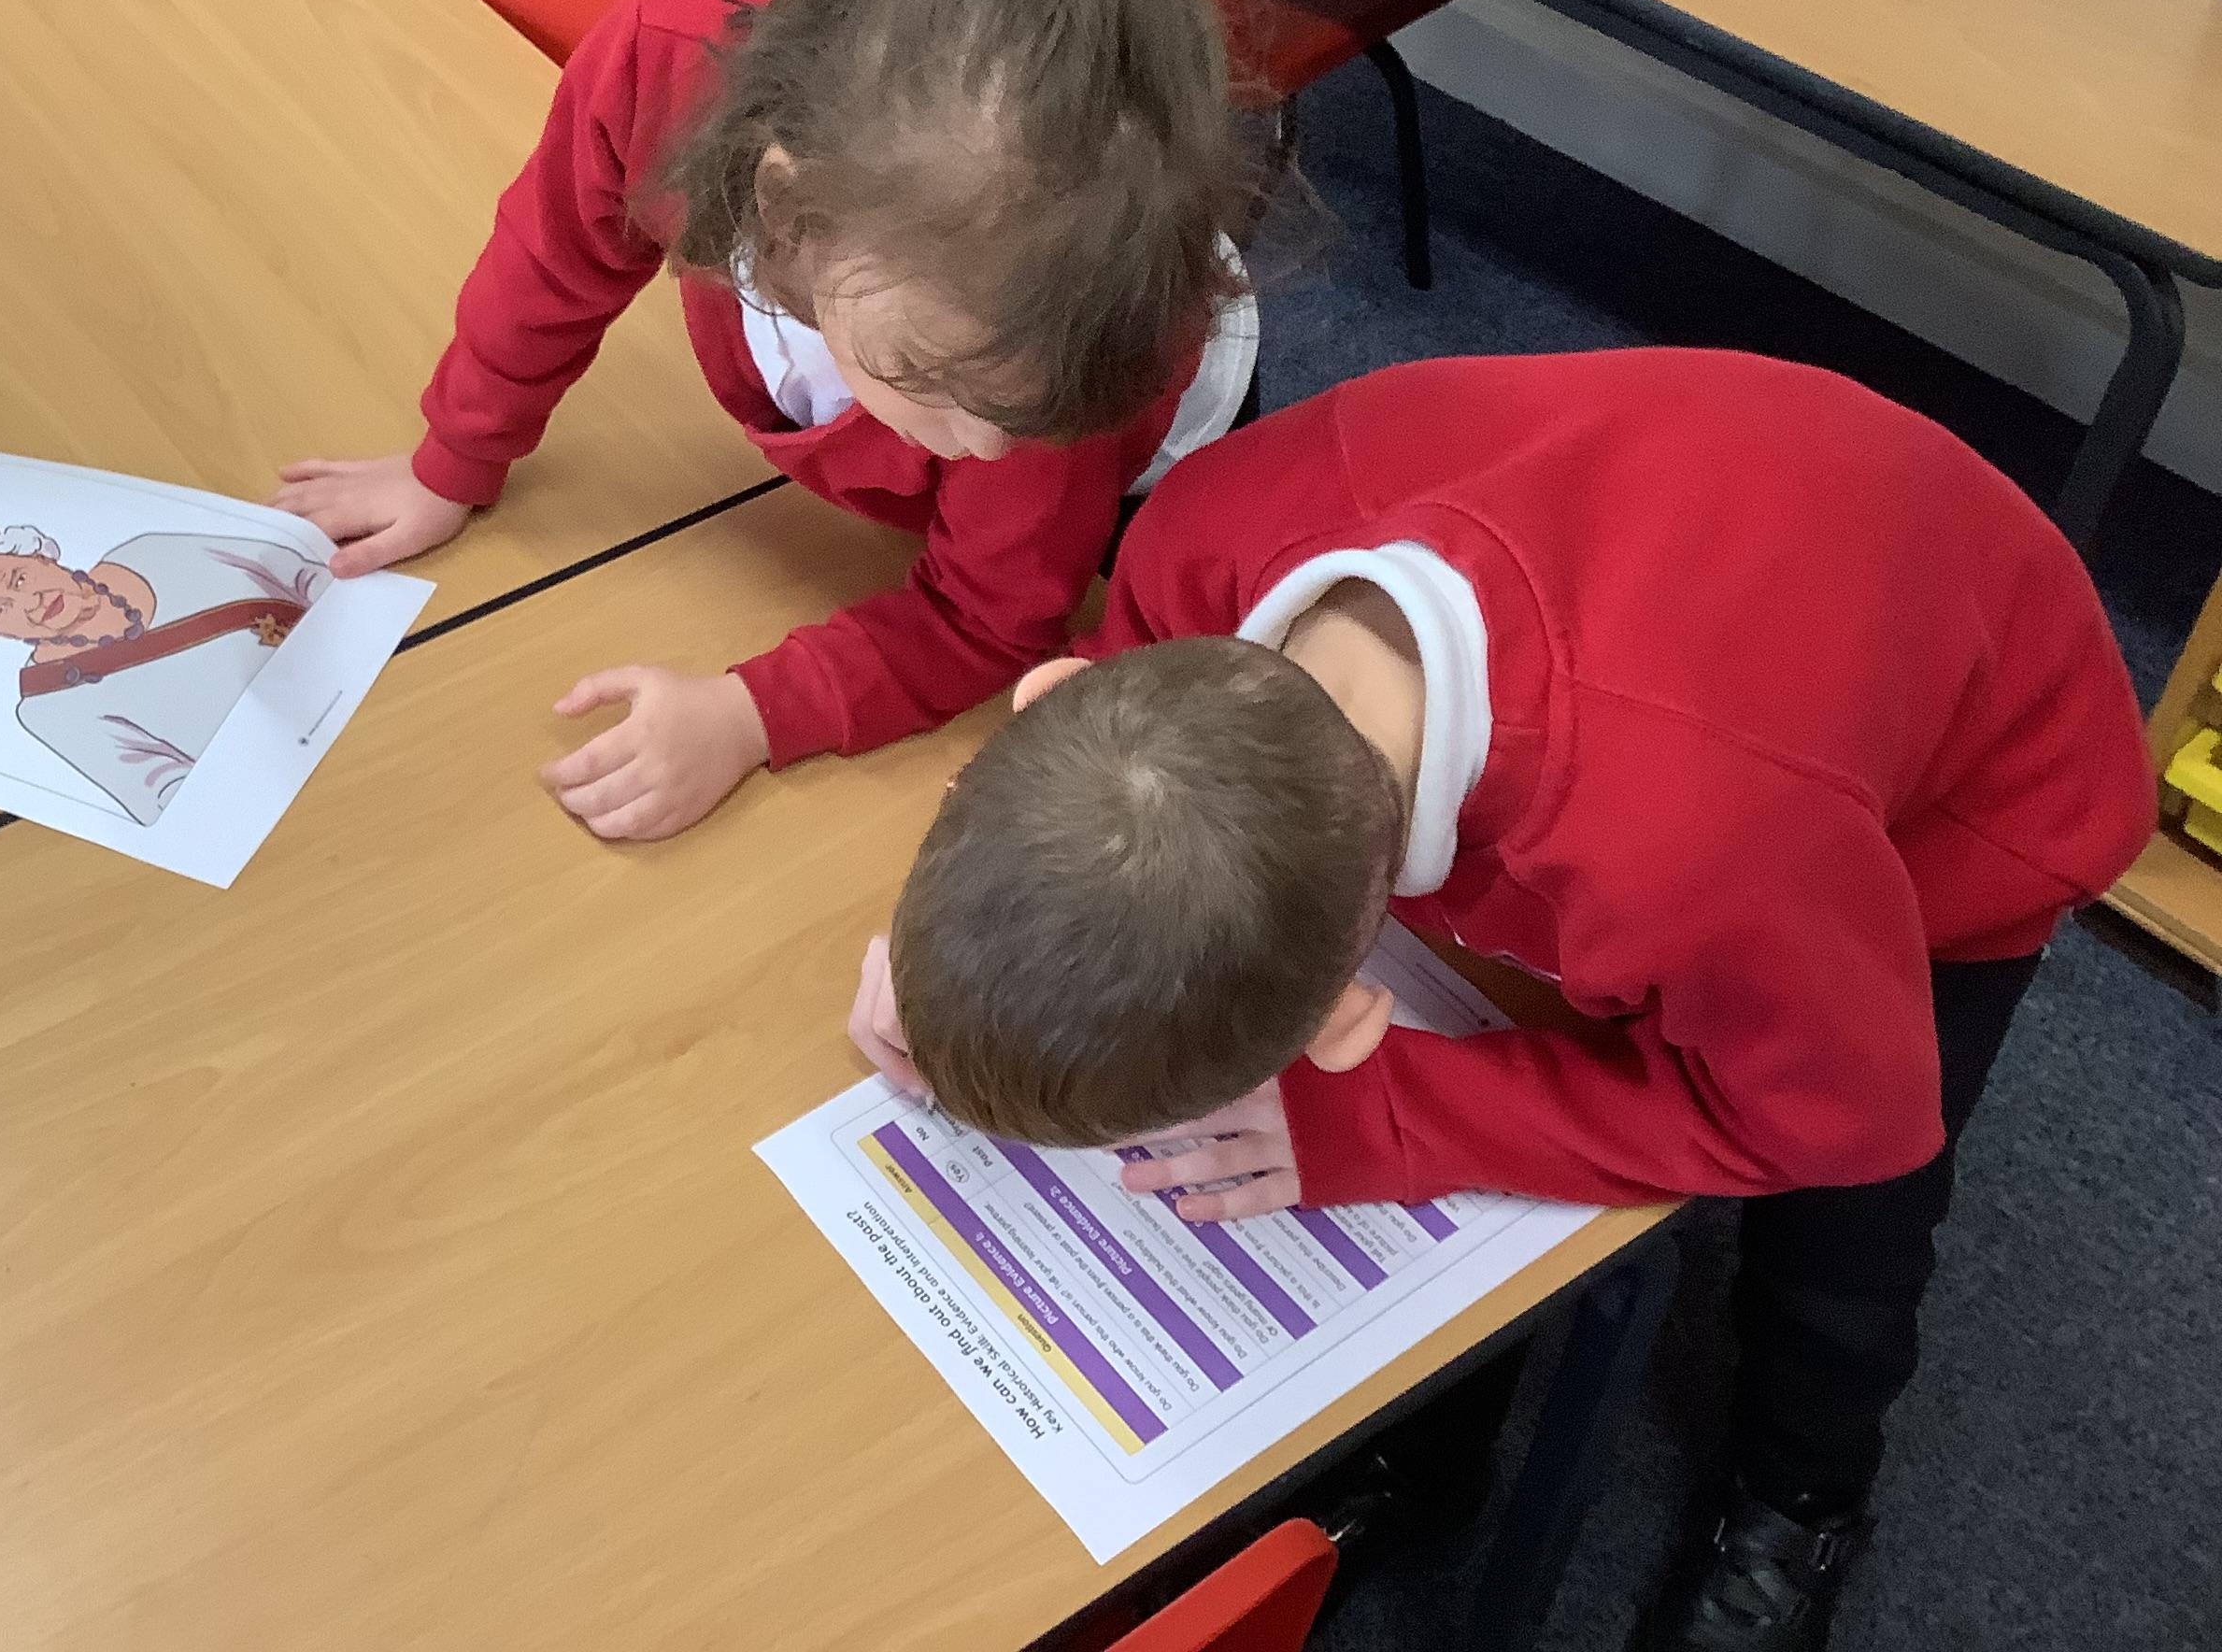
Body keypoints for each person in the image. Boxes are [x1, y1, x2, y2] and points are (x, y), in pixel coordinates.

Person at [847, 348, 2158, 1652]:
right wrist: (972, 950)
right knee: (1521, 1119)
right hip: (1714, 622)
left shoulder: (1695, 860)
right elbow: (1130, 715)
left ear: (1350, 1020)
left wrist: (1398, 1117)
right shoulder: (1203, 535)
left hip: (1976, 784)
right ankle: (1425, 1459)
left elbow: (1827, 1118)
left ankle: (1797, 1499)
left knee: (1844, 1239)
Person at [276, 0, 1267, 843]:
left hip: (1148, 455)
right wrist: (453, 458)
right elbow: (554, 255)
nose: (982, 444)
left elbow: (987, 619)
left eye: (991, 410)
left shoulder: (1045, 373)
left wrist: (751, 715)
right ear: (788, 210)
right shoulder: (670, 63)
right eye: (930, 377)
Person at [0, 517, 325, 824]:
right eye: (0, 610)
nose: (30, 603)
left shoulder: (145, 552)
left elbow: (299, 573)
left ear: (39, 556)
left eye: (18, 579)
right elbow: (167, 796)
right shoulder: (48, 707)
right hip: (294, 781)